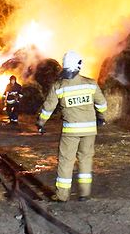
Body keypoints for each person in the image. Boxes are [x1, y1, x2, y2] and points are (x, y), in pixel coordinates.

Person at [37, 50, 107, 202]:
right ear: (79, 65)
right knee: (86, 160)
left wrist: (41, 122)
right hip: (89, 130)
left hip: (71, 131)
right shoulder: (90, 84)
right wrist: (101, 117)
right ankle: (84, 193)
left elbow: (48, 107)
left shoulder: (59, 86)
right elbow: (102, 104)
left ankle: (62, 195)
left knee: (66, 161)